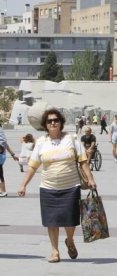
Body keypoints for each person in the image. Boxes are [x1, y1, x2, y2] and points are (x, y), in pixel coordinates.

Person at [17, 108, 97, 263]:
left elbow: (83, 161)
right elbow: (33, 166)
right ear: (45, 125)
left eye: (56, 120)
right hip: (48, 187)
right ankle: (54, 251)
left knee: (70, 220)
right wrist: (23, 184)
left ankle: (70, 240)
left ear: (61, 122)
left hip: (71, 186)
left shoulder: (72, 138)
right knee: (51, 221)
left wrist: (90, 178)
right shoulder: (41, 142)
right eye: (49, 121)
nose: (53, 123)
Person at [0, 126, 19, 197]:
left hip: (1, 156)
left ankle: (3, 192)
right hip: (2, 157)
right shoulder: (2, 136)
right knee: (1, 174)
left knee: (0, 175)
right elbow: (6, 145)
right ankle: (3, 191)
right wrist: (13, 155)